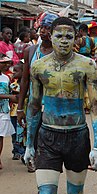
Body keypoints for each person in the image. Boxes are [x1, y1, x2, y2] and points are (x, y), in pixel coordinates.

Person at [24, 17, 97, 194]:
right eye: (59, 35)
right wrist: (28, 145)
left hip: (77, 137)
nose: (64, 40)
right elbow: (34, 106)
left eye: (69, 36)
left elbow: (95, 106)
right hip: (48, 136)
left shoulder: (87, 66)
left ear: (76, 38)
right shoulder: (39, 66)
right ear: (50, 37)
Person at [17, 12, 59, 173]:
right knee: (32, 141)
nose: (43, 32)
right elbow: (25, 80)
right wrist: (20, 108)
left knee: (49, 144)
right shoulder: (31, 51)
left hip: (53, 106)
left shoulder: (60, 53)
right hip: (34, 106)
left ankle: (44, 183)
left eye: (48, 28)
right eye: (42, 27)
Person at [0, 54, 17, 169]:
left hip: (3, 111)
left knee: (0, 136)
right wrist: (9, 97)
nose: (6, 65)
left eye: (8, 63)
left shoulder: (6, 78)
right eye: (3, 63)